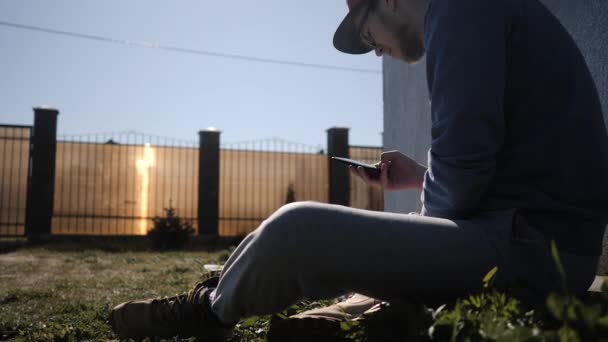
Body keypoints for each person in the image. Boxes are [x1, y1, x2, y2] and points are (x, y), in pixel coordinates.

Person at [109, 0, 608, 339]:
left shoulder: (458, 10)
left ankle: (210, 310)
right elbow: (486, 160)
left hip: (535, 252)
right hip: (532, 237)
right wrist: (418, 176)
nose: (374, 49)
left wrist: (410, 229)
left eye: (366, 32)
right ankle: (237, 286)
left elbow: (461, 183)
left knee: (295, 228)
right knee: (311, 239)